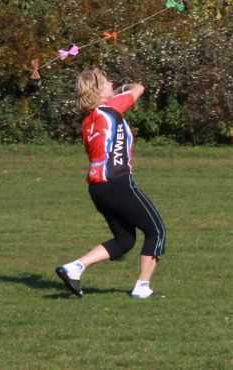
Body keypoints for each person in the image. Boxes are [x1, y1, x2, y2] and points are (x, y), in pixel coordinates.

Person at [56, 68, 166, 298]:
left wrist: (111, 92)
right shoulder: (111, 108)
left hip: (98, 188)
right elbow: (139, 88)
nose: (111, 83)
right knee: (156, 231)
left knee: (124, 240)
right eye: (106, 82)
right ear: (98, 92)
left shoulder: (88, 120)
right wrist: (121, 89)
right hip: (118, 184)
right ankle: (142, 287)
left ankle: (74, 268)